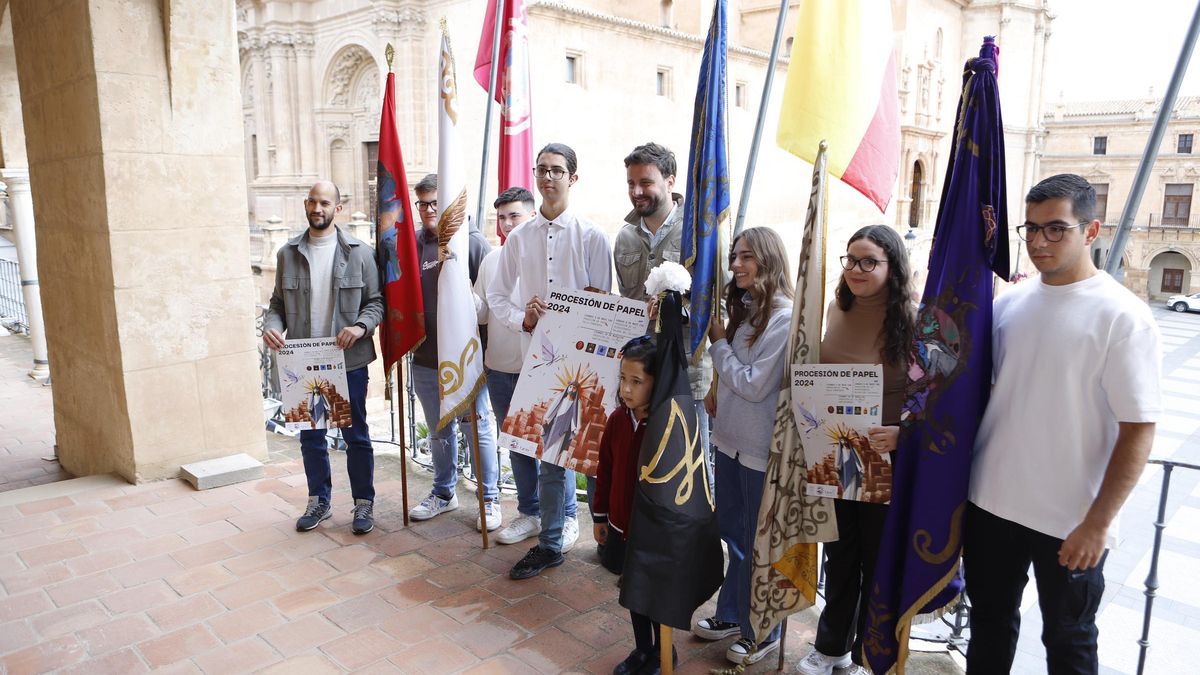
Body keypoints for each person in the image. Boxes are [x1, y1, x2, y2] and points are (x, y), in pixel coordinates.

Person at [964, 174, 1160, 674]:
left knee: (1069, 643)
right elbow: (975, 399)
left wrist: (1097, 524)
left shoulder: (1123, 317)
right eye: (1029, 229)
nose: (1038, 242)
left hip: (1070, 520)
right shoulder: (1009, 303)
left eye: (1056, 230)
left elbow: (1138, 429)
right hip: (991, 505)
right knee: (987, 625)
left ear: (1091, 230)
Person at [486, 142, 614, 579]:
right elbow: (497, 295)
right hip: (538, 365)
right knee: (549, 456)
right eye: (541, 170)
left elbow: (603, 303)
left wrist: (589, 307)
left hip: (585, 366)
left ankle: (607, 540)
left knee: (592, 453)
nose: (547, 177)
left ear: (572, 178)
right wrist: (523, 318)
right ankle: (550, 541)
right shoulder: (519, 238)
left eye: (557, 170)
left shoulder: (594, 237)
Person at [797, 225, 915, 675]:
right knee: (840, 554)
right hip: (835, 452)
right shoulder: (835, 308)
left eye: (870, 262)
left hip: (885, 459)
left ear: (893, 267)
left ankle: (872, 655)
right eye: (851, 260)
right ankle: (830, 649)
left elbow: (933, 398)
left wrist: (903, 433)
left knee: (877, 559)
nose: (857, 270)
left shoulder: (914, 318)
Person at [693, 226, 792, 665]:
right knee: (733, 536)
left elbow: (754, 385)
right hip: (730, 442)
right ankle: (733, 614)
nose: (735, 265)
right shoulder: (750, 311)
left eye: (746, 257)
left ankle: (764, 629)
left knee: (758, 541)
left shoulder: (785, 318)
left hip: (759, 451)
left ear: (768, 259)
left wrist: (718, 346)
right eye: (735, 256)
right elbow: (737, 378)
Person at [263, 181, 383, 534]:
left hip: (348, 361)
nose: (318, 208)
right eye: (313, 202)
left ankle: (364, 504)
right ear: (306, 204)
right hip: (302, 361)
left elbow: (376, 302)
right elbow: (276, 306)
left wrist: (360, 327)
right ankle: (319, 501)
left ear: (338, 208)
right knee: (311, 436)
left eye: (325, 203)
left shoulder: (361, 252)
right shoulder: (288, 254)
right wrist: (271, 326)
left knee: (355, 435)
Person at [407, 173, 501, 532]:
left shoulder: (473, 243)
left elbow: (487, 303)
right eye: (423, 204)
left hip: (465, 359)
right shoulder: (413, 244)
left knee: (477, 429)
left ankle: (489, 497)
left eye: (435, 203)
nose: (429, 210)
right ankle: (444, 492)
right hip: (426, 356)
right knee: (437, 429)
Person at [612, 142, 713, 471]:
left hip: (687, 372)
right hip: (641, 376)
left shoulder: (699, 232)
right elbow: (628, 303)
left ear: (670, 181)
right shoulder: (625, 238)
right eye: (630, 183)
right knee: (647, 465)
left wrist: (675, 310)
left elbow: (717, 302)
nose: (636, 191)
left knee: (693, 466)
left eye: (645, 182)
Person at [473, 188, 542, 543]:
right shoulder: (491, 260)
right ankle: (529, 513)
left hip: (541, 367)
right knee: (516, 444)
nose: (506, 223)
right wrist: (457, 292)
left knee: (548, 445)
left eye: (514, 215)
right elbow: (483, 311)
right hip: (499, 366)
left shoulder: (545, 256)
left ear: (532, 216)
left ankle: (561, 514)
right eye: (501, 217)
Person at [594, 336, 662, 674]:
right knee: (632, 592)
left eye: (636, 381)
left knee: (655, 595)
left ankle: (664, 652)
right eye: (623, 378)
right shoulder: (618, 421)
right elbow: (604, 470)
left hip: (653, 532)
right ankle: (643, 649)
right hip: (622, 525)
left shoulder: (665, 427)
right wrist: (601, 516)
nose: (626, 389)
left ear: (657, 382)